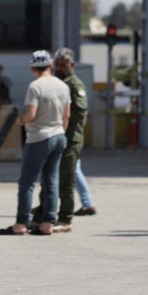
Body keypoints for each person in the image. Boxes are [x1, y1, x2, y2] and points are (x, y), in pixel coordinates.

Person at [0, 51, 69, 236]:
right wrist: (59, 131)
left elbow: (30, 115)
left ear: (32, 68)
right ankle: (47, 224)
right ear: (50, 66)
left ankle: (21, 224)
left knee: (27, 183)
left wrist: (20, 121)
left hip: (38, 138)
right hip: (59, 135)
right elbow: (66, 116)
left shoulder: (35, 86)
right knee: (51, 182)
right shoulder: (63, 86)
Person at [51, 47, 88, 232]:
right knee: (52, 176)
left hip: (71, 137)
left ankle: (65, 218)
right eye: (57, 64)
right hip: (57, 135)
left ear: (71, 65)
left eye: (63, 65)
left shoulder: (74, 84)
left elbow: (80, 112)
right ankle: (47, 210)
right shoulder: (56, 82)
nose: (59, 68)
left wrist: (61, 115)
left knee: (67, 178)